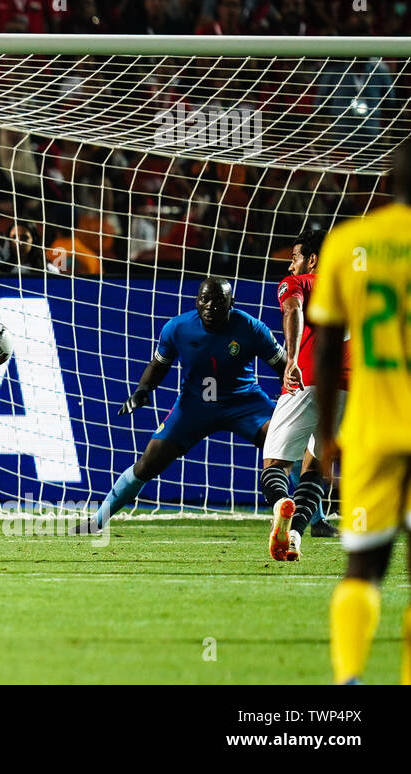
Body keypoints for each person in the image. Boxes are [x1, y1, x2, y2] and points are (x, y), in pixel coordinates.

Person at [309, 138, 411, 685]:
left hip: (371, 432)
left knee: (364, 568)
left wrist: (326, 435)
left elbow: (325, 346)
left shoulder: (351, 244)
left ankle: (348, 680)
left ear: (389, 183)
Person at [88, 277, 287, 531]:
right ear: (196, 301)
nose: (210, 306)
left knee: (284, 440)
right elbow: (159, 365)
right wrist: (142, 391)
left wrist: (290, 398)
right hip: (194, 406)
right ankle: (96, 522)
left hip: (244, 402)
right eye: (204, 299)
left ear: (231, 303)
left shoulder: (252, 328)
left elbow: (284, 367)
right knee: (149, 462)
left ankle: (313, 519)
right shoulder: (177, 328)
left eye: (219, 301)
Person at [258, 229, 345, 562]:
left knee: (275, 464)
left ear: (312, 259)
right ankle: (294, 536)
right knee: (317, 466)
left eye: (295, 257)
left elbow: (291, 310)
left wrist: (291, 358)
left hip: (307, 378)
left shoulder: (300, 282)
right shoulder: (354, 286)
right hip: (348, 386)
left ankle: (282, 506)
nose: (290, 265)